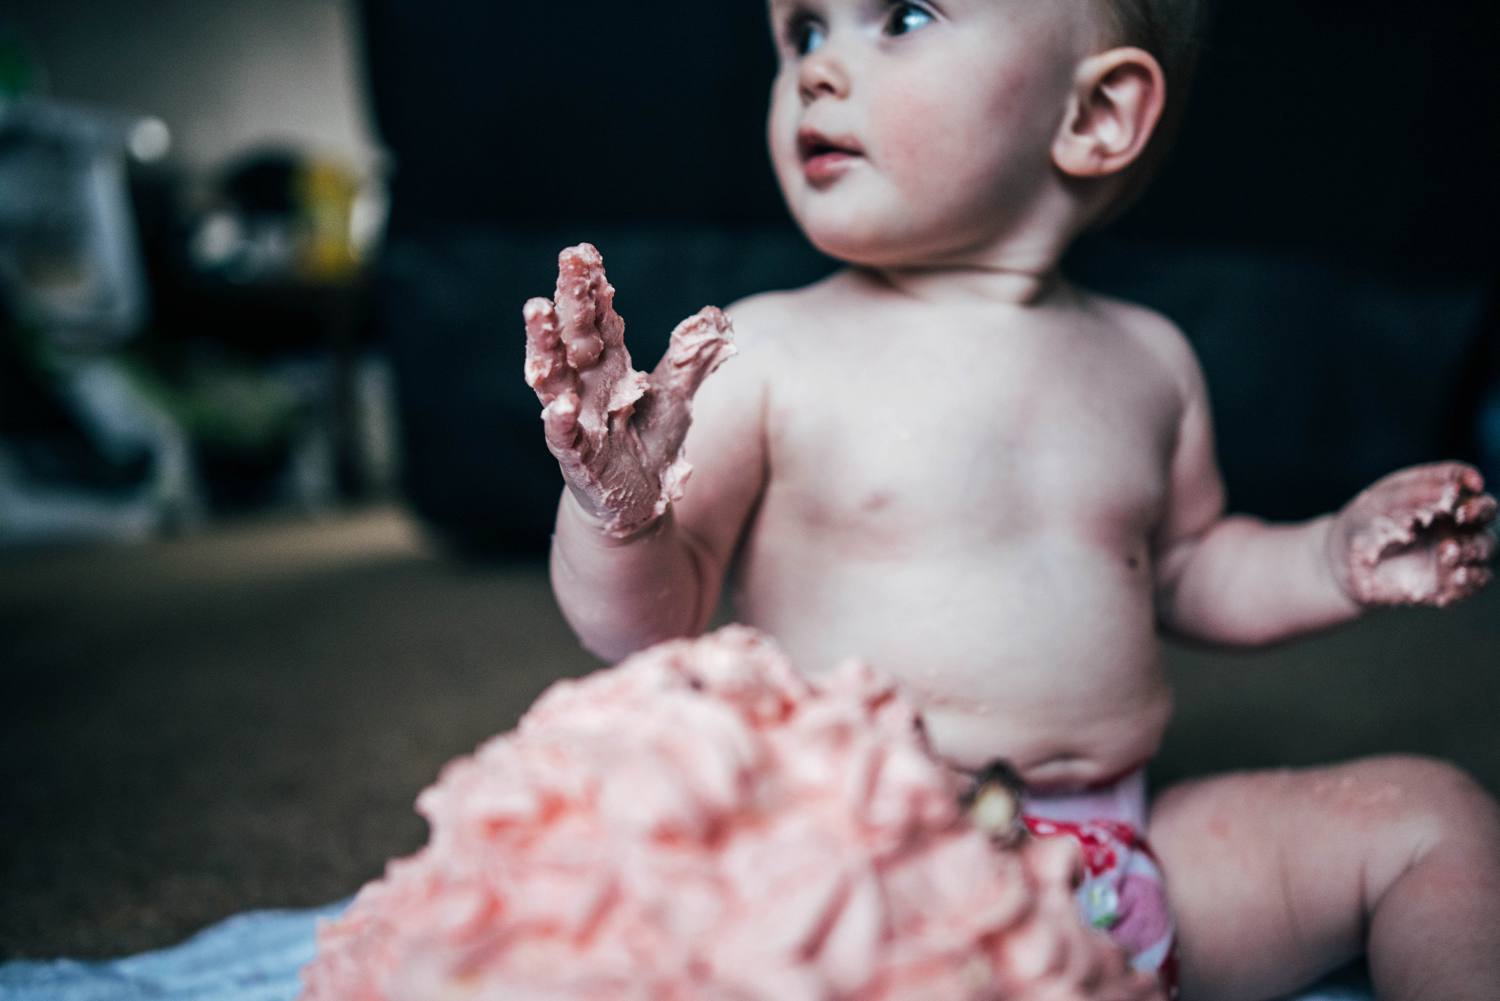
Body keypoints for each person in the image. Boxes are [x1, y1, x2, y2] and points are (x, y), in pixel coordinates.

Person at [520, 1, 1500, 998]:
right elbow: (646, 628)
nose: (817, 71)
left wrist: (1330, 556)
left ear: (1098, 114)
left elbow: (1189, 566)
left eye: (900, 16)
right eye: (803, 32)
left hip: (1119, 857)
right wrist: (624, 510)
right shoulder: (765, 353)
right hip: (874, 861)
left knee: (1433, 818)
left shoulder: (1150, 360)